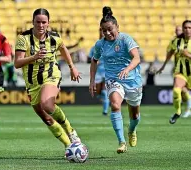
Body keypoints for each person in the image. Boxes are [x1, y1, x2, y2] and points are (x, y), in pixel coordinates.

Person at [14, 8, 81, 151]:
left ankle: (70, 131)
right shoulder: (23, 39)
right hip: (32, 84)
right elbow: (17, 63)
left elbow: (63, 48)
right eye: (37, 22)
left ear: (48, 23)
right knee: (47, 118)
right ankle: (69, 146)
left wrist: (72, 67)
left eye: (44, 22)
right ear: (32, 22)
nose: (41, 25)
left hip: (51, 76)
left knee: (47, 104)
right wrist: (34, 57)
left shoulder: (54, 38)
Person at [89, 6, 142, 154]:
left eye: (109, 29)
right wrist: (92, 81)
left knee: (135, 116)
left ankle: (132, 130)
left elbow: (136, 58)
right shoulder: (100, 44)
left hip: (132, 80)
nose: (107, 33)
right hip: (113, 79)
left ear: (117, 27)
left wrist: (127, 69)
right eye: (103, 30)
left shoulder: (125, 39)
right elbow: (94, 61)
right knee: (115, 105)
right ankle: (121, 141)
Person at [157, 21, 191, 121]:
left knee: (184, 95)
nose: (187, 30)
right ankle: (178, 111)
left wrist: (188, 55)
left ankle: (188, 107)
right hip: (180, 72)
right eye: (185, 28)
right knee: (177, 90)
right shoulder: (176, 41)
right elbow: (170, 53)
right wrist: (163, 66)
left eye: (189, 28)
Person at [88, 28, 109, 116]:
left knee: (105, 91)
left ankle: (105, 111)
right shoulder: (95, 46)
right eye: (101, 31)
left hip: (107, 71)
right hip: (98, 72)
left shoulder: (110, 46)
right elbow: (90, 59)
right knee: (98, 91)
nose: (102, 33)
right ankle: (103, 98)